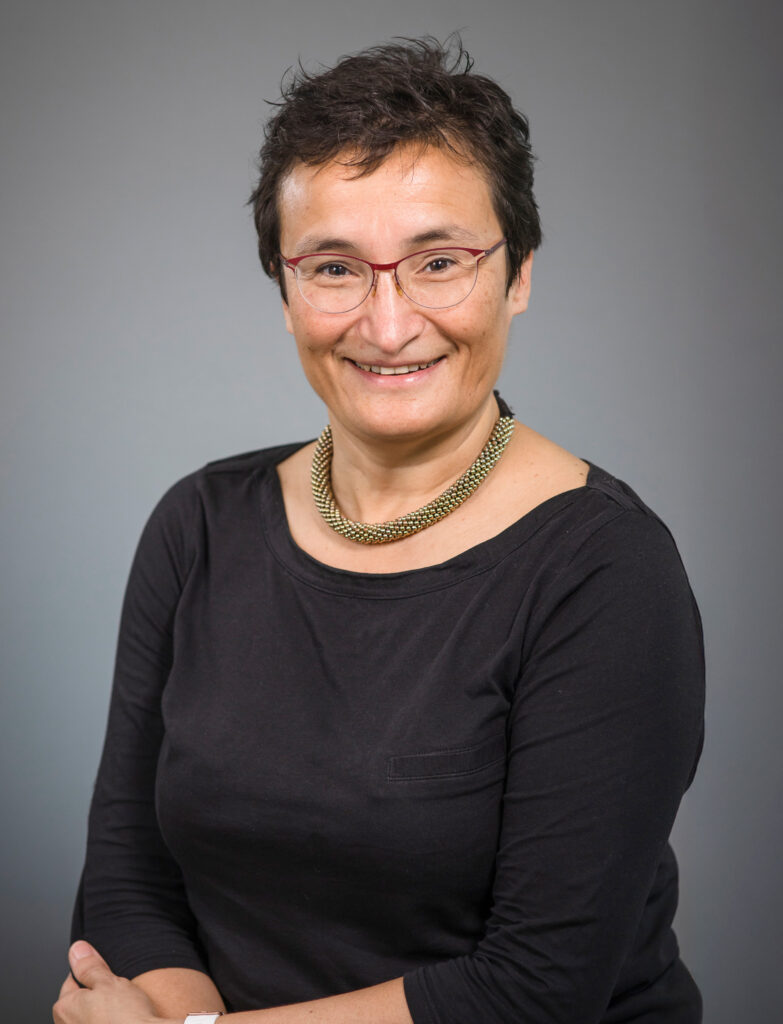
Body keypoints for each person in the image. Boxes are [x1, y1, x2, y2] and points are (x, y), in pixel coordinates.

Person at [54, 36, 705, 1024]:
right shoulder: (198, 525)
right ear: (284, 290)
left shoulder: (605, 570)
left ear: (518, 274)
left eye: (439, 262)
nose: (388, 324)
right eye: (335, 268)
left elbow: (535, 989)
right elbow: (129, 876)